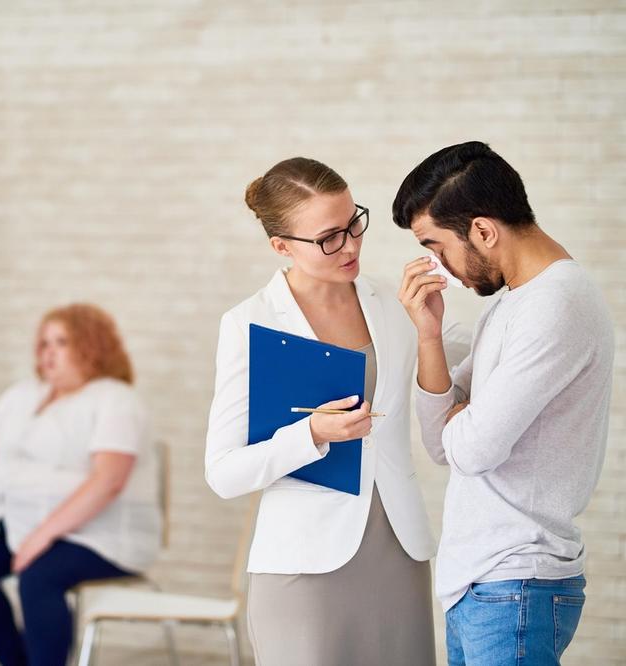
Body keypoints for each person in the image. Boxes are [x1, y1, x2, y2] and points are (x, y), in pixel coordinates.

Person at [205, 157, 442, 665]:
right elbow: (223, 472)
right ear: (281, 246)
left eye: (353, 223)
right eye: (329, 237)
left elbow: (459, 355)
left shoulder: (391, 301)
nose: (351, 245)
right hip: (304, 568)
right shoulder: (251, 323)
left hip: (398, 551)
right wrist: (309, 433)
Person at [393, 140, 614, 665]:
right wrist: (429, 335)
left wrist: (464, 418)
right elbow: (443, 445)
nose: (436, 266)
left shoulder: (555, 304)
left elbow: (472, 451)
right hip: (483, 583)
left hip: (516, 583)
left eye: (436, 245)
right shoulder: (515, 301)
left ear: (484, 231)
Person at [0, 303, 161, 666]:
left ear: (92, 347)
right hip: (19, 527)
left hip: (99, 536)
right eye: (43, 343)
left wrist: (42, 535)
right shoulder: (20, 395)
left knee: (39, 577)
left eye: (61, 342)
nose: (48, 352)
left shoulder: (115, 399)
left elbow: (109, 481)